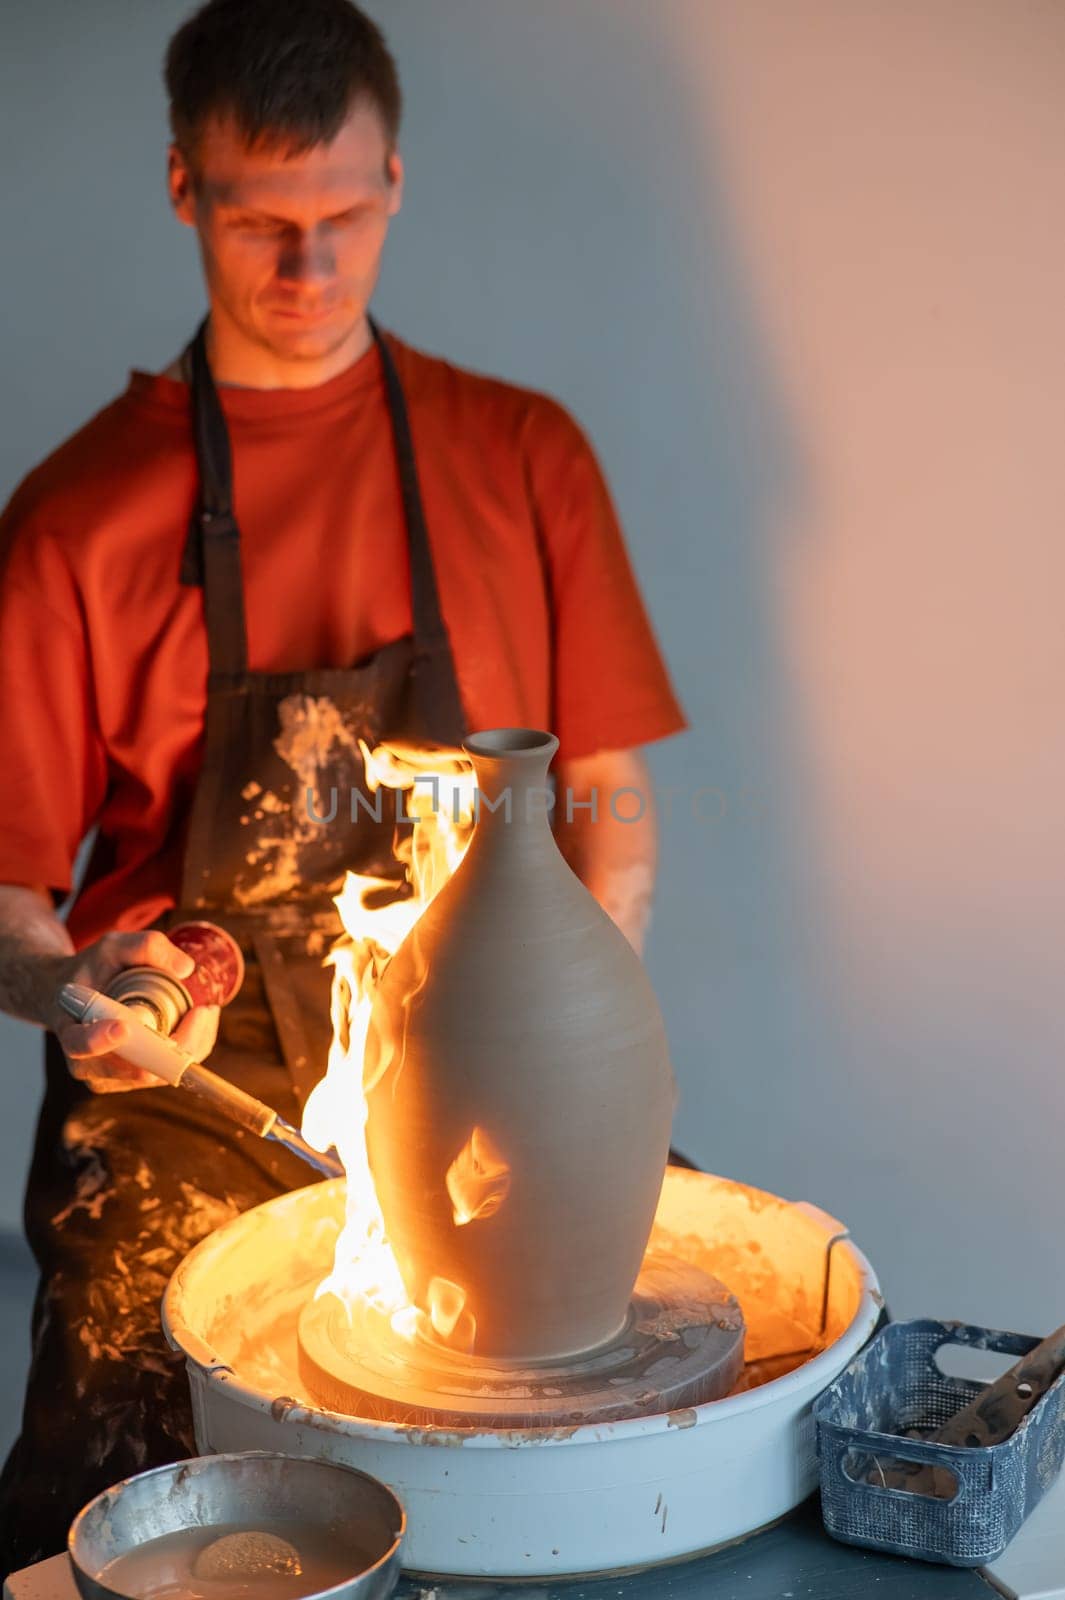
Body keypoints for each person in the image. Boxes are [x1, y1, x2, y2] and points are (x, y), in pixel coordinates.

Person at [0, 0, 686, 1572]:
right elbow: (11, 910)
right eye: (258, 222)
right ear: (184, 188)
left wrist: (595, 1007)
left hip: (490, 1063)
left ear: (395, 182)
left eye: (341, 217)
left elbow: (610, 792)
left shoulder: (522, 456)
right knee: (122, 1436)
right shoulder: (74, 521)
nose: (305, 272)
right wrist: (70, 995)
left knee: (630, 1408)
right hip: (194, 1081)